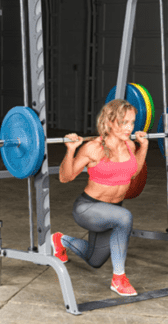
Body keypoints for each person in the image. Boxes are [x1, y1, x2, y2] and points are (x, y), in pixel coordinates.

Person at [52, 99, 148, 297]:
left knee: (94, 260)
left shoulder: (130, 145)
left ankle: (61, 241)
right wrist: (70, 151)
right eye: (124, 123)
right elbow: (65, 177)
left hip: (112, 211)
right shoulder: (93, 148)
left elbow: (133, 172)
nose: (129, 128)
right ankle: (119, 278)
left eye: (131, 122)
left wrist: (144, 147)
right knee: (125, 217)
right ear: (110, 122)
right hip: (88, 208)